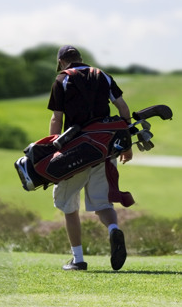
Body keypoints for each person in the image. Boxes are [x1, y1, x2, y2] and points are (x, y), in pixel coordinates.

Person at [48, 45, 133, 271]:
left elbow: (57, 119)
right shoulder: (101, 75)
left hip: (74, 151)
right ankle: (114, 229)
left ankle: (78, 259)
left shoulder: (62, 79)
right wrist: (126, 144)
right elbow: (123, 107)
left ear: (62, 62)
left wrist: (52, 152)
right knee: (102, 203)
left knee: (68, 205)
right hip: (105, 149)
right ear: (81, 58)